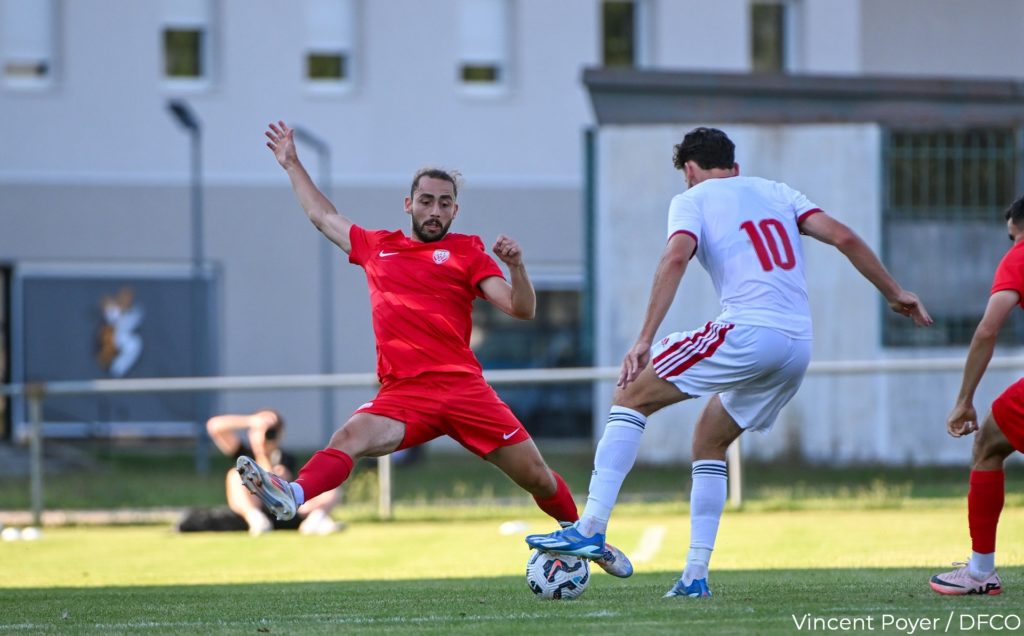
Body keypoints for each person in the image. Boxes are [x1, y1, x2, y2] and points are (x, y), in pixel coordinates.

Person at [526, 127, 933, 597]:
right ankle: (695, 577)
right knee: (710, 438)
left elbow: (675, 258)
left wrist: (644, 339)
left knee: (630, 393)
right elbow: (842, 236)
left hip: (749, 332)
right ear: (734, 167)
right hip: (797, 345)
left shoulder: (692, 199)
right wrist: (894, 292)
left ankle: (591, 527)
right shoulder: (778, 192)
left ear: (690, 170)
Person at [236, 121, 631, 577]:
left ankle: (588, 539)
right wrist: (292, 163)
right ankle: (294, 494)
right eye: (426, 200)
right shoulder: (377, 247)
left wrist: (517, 267)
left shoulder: (468, 252)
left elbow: (522, 309)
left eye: (444, 203)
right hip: (404, 395)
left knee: (538, 478)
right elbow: (323, 216)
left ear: (455, 211)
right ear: (408, 204)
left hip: (465, 392)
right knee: (348, 437)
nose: (434, 210)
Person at [929, 195, 1024, 596]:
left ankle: (981, 571)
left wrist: (964, 399)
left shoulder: (1020, 256)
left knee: (987, 444)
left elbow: (988, 329)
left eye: (1012, 236)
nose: (1012, 243)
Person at [207, 409, 340, 536]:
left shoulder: (284, 457)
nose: (264, 435)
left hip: (284, 508)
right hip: (255, 507)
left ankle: (315, 520)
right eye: (258, 431)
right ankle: (256, 519)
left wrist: (265, 455)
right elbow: (215, 426)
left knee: (330, 488)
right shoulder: (244, 454)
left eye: (270, 431)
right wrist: (252, 421)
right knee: (235, 475)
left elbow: (277, 482)